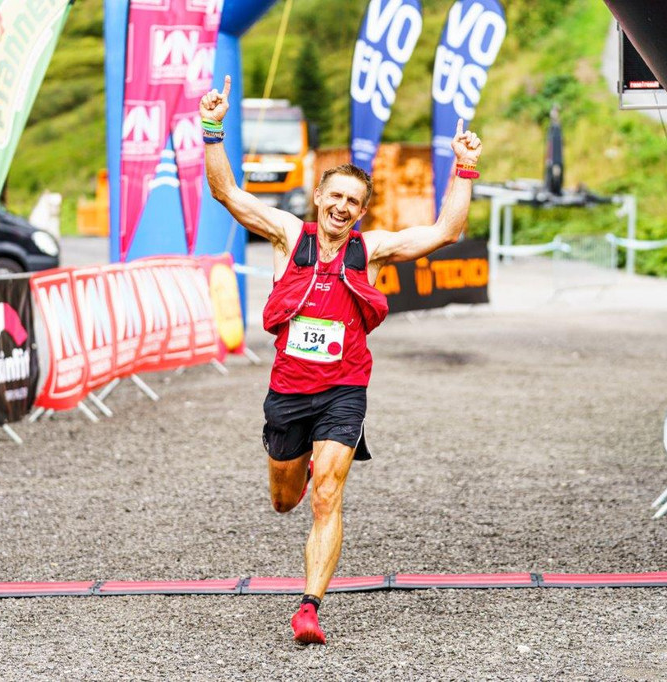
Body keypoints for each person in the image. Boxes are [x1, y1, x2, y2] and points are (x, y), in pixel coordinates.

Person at [201, 75, 483, 645]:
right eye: (335, 197)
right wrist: (212, 128)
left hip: (343, 391)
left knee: (328, 495)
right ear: (319, 198)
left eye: (353, 201)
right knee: (285, 501)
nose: (342, 207)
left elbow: (446, 231)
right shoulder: (288, 236)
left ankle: (309, 608)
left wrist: (465, 166)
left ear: (361, 210)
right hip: (289, 391)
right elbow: (227, 193)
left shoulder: (369, 250)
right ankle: (296, 466)